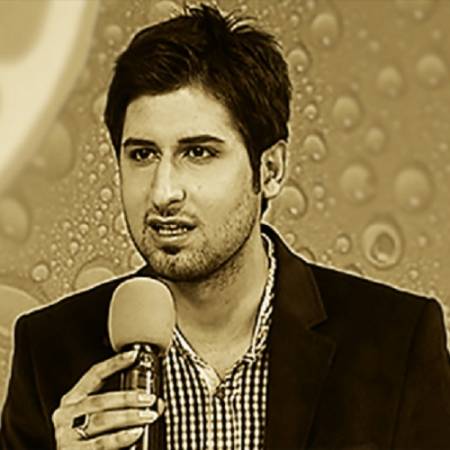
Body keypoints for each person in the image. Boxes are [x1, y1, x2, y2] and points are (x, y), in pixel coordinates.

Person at [1, 4, 450, 450]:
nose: (163, 192)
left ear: (270, 170)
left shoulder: (396, 342)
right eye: (142, 154)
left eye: (198, 153)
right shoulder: (50, 352)